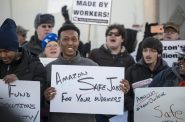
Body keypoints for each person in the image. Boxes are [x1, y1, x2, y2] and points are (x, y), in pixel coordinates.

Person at [43, 21, 130, 122]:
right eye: (65, 39)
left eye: (74, 39)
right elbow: (43, 104)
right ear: (59, 42)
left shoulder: (92, 66)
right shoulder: (49, 68)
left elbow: (105, 98)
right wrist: (46, 98)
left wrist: (120, 92)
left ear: (78, 41)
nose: (70, 43)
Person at [0, 18, 47, 122]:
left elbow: (42, 94)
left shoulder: (35, 65)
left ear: (16, 48)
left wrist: (20, 79)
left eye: (6, 51)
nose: (2, 55)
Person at [89, 24, 135, 122]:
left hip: (120, 109)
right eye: (110, 34)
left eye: (117, 34)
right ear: (106, 37)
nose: (113, 36)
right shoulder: (95, 54)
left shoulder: (129, 59)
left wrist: (128, 88)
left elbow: (132, 82)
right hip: (98, 108)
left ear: (122, 39)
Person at [125, 37, 169, 122]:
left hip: (160, 116)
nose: (148, 54)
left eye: (152, 51)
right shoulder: (132, 70)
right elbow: (125, 94)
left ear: (159, 54)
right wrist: (136, 107)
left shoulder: (167, 72)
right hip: (137, 117)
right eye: (145, 50)